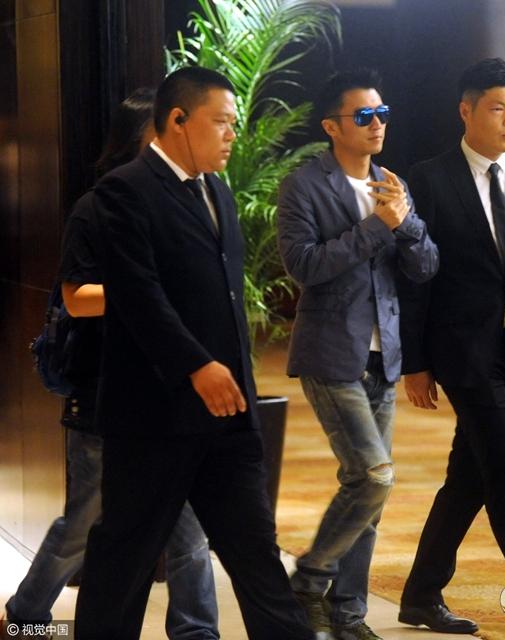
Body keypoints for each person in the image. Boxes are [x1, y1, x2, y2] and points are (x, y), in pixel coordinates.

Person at [73, 66, 314, 640]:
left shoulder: (217, 190)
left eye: (234, 123)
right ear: (178, 120)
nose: (232, 134)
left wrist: (237, 384)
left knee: (256, 553)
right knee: (125, 558)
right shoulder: (124, 191)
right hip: (155, 417)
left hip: (227, 416)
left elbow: (225, 300)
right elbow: (139, 297)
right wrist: (195, 366)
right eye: (222, 122)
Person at [2, 88, 220, 640]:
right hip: (104, 391)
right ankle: (26, 618)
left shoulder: (194, 201)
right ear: (142, 138)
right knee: (84, 521)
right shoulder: (97, 207)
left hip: (172, 391)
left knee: (189, 528)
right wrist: (151, 292)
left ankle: (197, 631)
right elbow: (77, 299)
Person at [277, 69, 439, 640]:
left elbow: (425, 267)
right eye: (364, 116)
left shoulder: (392, 185)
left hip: (383, 357)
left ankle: (348, 616)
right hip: (330, 354)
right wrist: (377, 226)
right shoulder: (303, 186)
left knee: (369, 496)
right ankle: (309, 579)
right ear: (332, 126)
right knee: (373, 476)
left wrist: (406, 222)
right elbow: (304, 266)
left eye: (382, 113)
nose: (377, 125)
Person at [397, 58, 505, 634]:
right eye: (498, 108)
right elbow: (415, 276)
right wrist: (416, 362)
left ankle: (420, 594)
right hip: (465, 353)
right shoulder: (429, 178)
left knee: (469, 477)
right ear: (466, 111)